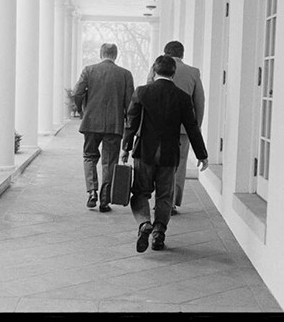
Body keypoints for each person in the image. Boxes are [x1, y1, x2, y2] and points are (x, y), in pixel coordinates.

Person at [122, 55, 208, 252]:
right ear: (174, 72)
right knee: (165, 195)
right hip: (170, 153)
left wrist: (125, 148)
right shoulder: (182, 97)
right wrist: (201, 154)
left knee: (140, 193)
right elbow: (192, 127)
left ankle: (144, 224)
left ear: (154, 70)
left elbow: (131, 122)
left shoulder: (142, 92)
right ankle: (159, 231)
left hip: (145, 152)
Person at [74, 43, 135, 212]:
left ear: (101, 53)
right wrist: (129, 125)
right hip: (114, 125)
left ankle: (92, 191)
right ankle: (104, 200)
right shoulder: (125, 74)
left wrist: (82, 110)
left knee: (89, 156)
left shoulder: (89, 70)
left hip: (91, 122)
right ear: (116, 55)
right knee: (109, 162)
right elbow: (131, 104)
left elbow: (77, 93)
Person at [146, 41, 205, 215]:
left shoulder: (155, 69)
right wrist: (196, 126)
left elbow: (148, 95)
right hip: (183, 128)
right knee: (178, 165)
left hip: (157, 126)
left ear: (164, 53)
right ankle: (170, 202)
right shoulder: (193, 72)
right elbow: (199, 102)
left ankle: (159, 198)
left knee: (158, 162)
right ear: (182, 54)